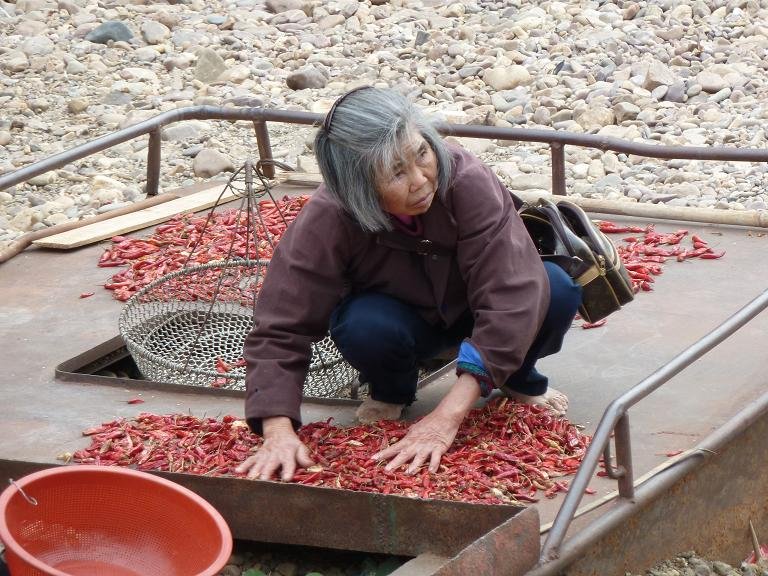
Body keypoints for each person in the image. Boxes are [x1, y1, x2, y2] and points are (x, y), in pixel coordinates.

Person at [236, 86, 582, 482]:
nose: (420, 180)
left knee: (553, 288)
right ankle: (391, 391)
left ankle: (517, 376)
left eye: (422, 154)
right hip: (404, 322)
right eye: (396, 173)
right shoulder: (330, 216)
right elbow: (281, 323)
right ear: (358, 185)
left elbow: (511, 292)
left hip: (475, 308)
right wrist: (277, 430)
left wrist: (446, 417)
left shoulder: (466, 179)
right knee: (362, 322)